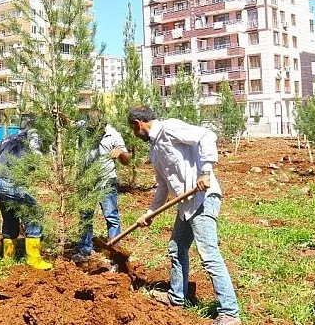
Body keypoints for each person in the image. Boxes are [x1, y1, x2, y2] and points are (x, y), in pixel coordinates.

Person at [128, 105, 241, 325]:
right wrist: (151, 212)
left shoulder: (170, 128)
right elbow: (163, 185)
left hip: (203, 198)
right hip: (186, 205)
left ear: (137, 124)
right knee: (176, 247)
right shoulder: (154, 149)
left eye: (133, 130)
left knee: (208, 254)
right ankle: (176, 297)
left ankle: (230, 312)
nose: (134, 133)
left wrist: (206, 171)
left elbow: (207, 135)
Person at [0, 121, 52, 270]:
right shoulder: (33, 134)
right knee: (35, 211)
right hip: (8, 183)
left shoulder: (9, 138)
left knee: (10, 217)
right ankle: (34, 259)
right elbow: (37, 155)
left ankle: (8, 258)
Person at [72, 109, 131, 263]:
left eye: (98, 128)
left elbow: (127, 160)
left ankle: (115, 250)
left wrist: (121, 153)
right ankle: (84, 249)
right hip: (87, 181)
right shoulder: (83, 127)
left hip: (106, 181)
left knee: (111, 216)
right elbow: (68, 125)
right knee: (85, 216)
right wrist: (58, 115)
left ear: (103, 125)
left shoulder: (113, 134)